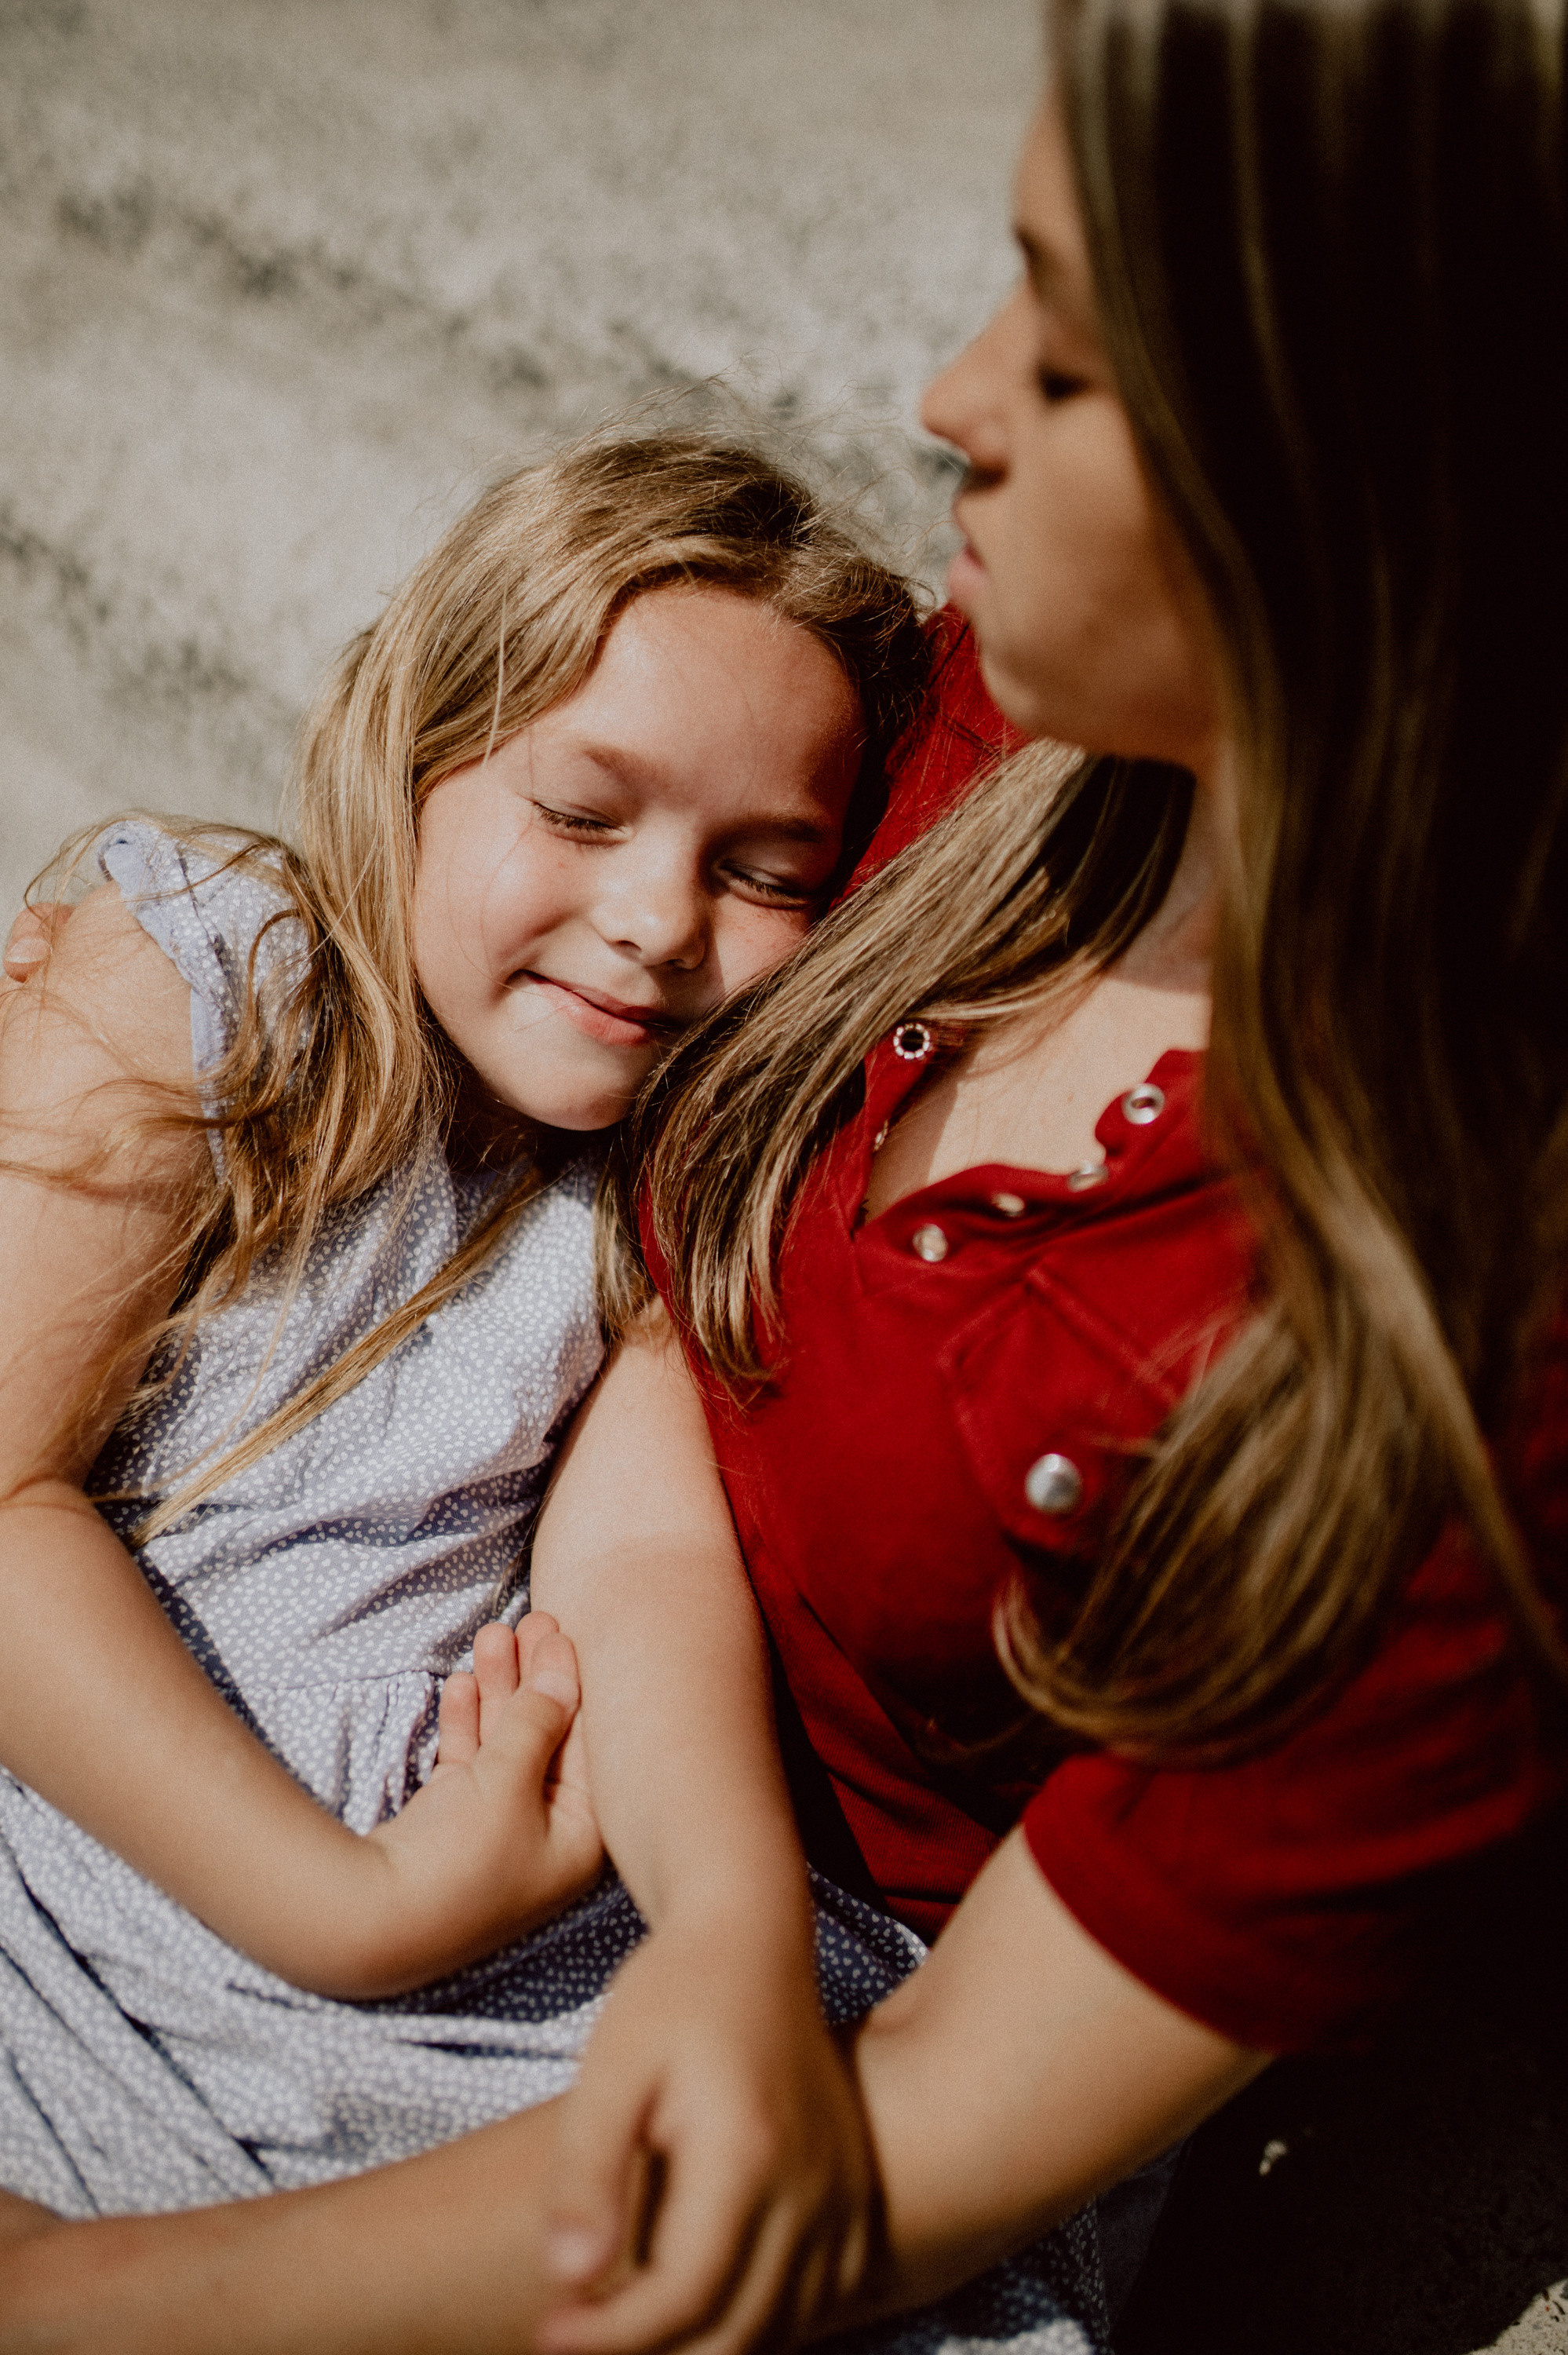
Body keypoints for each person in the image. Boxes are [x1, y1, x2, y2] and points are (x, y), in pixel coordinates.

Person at [4, 0, 1568, 2342]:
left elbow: (932, 2123)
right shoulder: (957, 731)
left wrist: (81, 2306)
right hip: (467, 1780)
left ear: (1340, 468)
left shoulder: (1462, 1362)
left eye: (1063, 350)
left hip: (733, 2031)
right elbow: (659, 1375)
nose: (946, 392)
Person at [0, 429, 942, 2216]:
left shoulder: (651, 1202)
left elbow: (641, 1576)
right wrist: (340, 1909)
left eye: (766, 870)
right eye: (584, 813)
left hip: (460, 1911)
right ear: (418, 759)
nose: (659, 919)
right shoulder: (218, 974)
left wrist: (725, 1925)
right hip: (86, 1829)